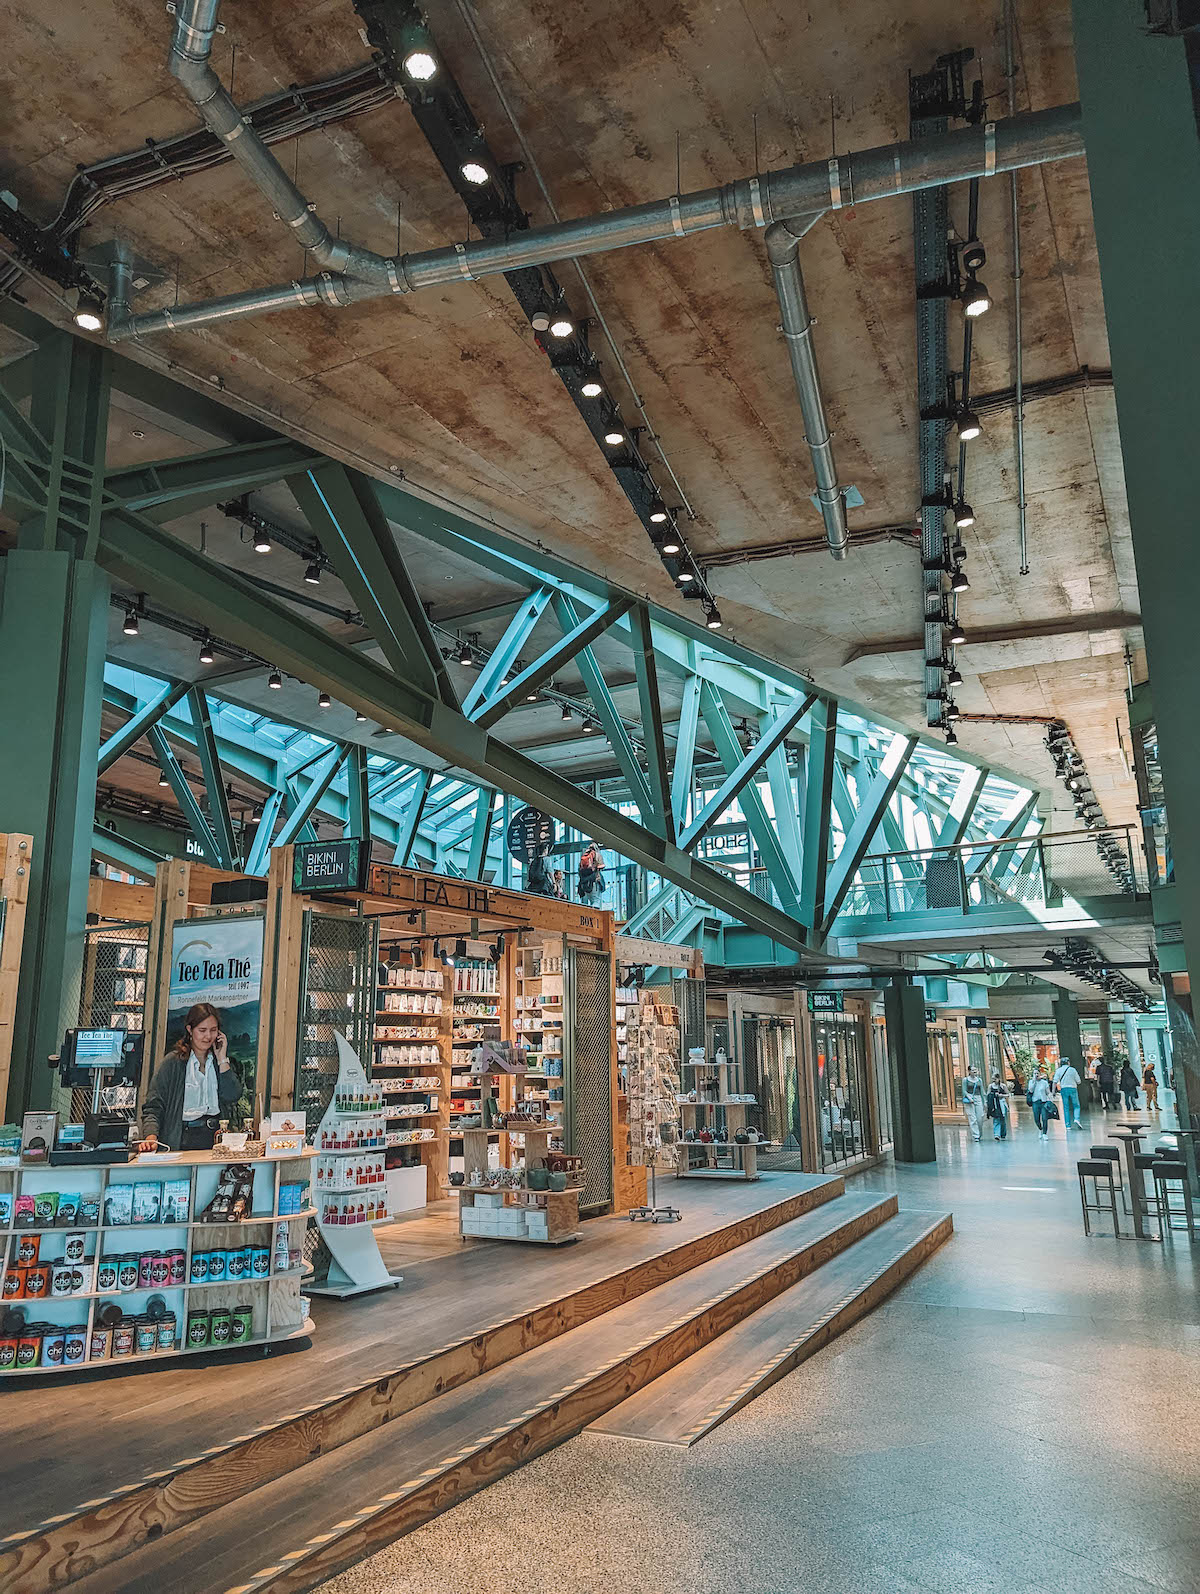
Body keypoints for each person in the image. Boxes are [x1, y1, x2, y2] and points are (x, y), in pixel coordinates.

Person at [138, 1002, 241, 1152]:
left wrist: (222, 1059)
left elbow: (232, 1095)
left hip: (216, 1138)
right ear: (190, 1030)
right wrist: (151, 1137)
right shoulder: (173, 1063)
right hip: (182, 1138)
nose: (208, 1036)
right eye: (202, 1030)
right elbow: (153, 1106)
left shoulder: (219, 1062)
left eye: (213, 1030)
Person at [1053, 1058, 1083, 1130]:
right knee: (1076, 1105)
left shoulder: (1059, 1070)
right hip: (1073, 1089)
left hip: (1064, 1089)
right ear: (1068, 1062)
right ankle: (1076, 1119)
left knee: (1066, 1107)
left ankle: (1068, 1125)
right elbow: (1079, 1081)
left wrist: (1053, 1091)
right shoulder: (1073, 1070)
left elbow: (1055, 1081)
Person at [961, 1063, 985, 1141]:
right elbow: (964, 1091)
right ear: (969, 1071)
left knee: (980, 1117)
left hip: (978, 1098)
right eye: (972, 1070)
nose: (974, 1071)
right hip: (969, 1099)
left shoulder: (979, 1080)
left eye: (975, 1070)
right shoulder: (965, 1080)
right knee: (972, 1118)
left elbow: (982, 1091)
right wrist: (969, 1097)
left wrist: (984, 1102)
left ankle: (980, 1133)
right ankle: (976, 1135)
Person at [1029, 1065, 1055, 1137]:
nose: (1036, 1075)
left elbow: (1048, 1092)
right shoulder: (1031, 1082)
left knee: (1044, 1118)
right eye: (1034, 1073)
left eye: (1037, 1073)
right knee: (1036, 1119)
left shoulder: (1044, 1082)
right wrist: (1034, 1081)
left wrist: (1050, 1097)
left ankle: (1044, 1133)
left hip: (1043, 1102)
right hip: (1035, 1102)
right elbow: (1031, 1090)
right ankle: (1040, 1129)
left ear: (1040, 1074)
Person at [986, 1072, 1009, 1140]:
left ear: (998, 1079)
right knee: (996, 1118)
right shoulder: (990, 1086)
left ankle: (1003, 1134)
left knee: (1002, 1119)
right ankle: (996, 1134)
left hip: (1002, 1103)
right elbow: (988, 1095)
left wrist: (1002, 1096)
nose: (993, 1080)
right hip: (994, 1104)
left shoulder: (1003, 1086)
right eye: (992, 1079)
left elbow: (1008, 1094)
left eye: (995, 1079)